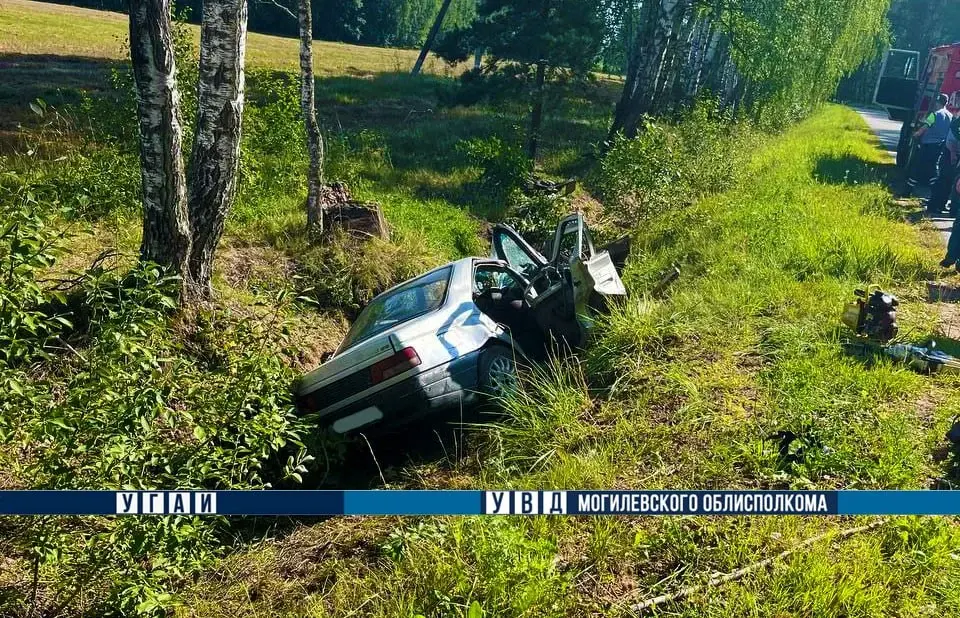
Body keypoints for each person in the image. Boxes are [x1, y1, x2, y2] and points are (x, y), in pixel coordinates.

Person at [906, 94, 953, 198]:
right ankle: (934, 192)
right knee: (932, 169)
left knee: (917, 166)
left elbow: (925, 127)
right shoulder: (950, 116)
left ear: (937, 102)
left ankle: (908, 190)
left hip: (927, 145)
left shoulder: (934, 115)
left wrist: (915, 134)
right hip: (939, 146)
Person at [928, 114, 960, 215]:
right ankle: (934, 206)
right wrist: (953, 155)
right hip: (950, 154)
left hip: (954, 154)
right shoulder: (956, 125)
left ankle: (941, 205)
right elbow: (951, 141)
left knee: (949, 182)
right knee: (944, 180)